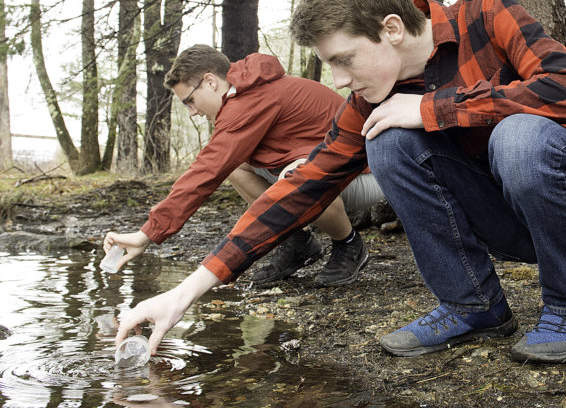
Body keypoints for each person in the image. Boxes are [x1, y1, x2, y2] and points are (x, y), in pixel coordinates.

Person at [116, 0, 566, 365]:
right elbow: (302, 187)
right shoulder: (369, 100)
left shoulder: (486, 14)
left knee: (518, 135)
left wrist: (431, 109)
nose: (340, 80)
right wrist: (186, 291)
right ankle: (473, 305)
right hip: (507, 225)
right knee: (386, 138)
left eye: (344, 60)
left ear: (392, 28)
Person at [102, 45, 386, 287]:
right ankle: (297, 242)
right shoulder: (243, 95)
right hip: (334, 171)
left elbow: (206, 171)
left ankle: (349, 244)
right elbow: (221, 163)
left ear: (210, 82)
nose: (193, 113)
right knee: (238, 167)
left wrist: (147, 233)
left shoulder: (250, 99)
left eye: (190, 101)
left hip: (371, 174)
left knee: (296, 173)